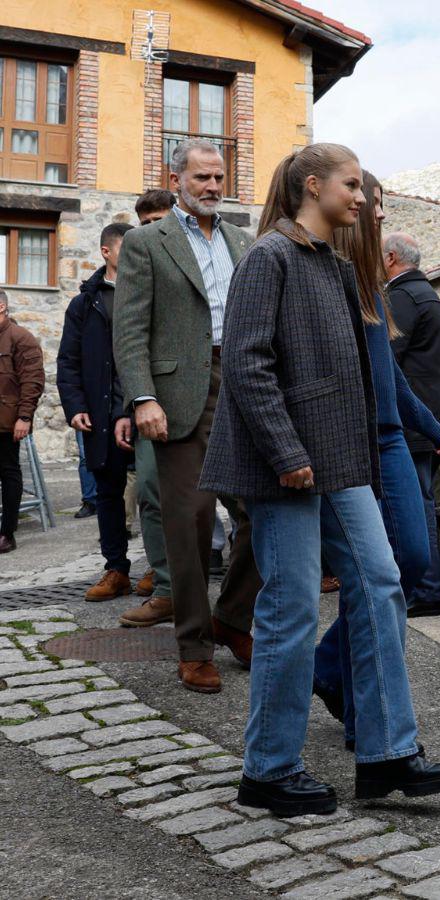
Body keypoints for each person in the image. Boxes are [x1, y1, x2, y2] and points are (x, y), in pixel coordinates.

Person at [199, 143, 440, 816]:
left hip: (341, 464)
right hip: (284, 467)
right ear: (312, 186)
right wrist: (286, 451)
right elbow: (247, 364)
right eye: (351, 185)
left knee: (381, 583)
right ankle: (268, 769)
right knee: (289, 609)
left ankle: (387, 752)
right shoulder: (269, 258)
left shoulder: (338, 266)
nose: (362, 198)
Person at [311, 171, 440, 743]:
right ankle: (363, 713)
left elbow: (387, 371)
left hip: (392, 438)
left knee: (411, 562)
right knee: (373, 576)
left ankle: (328, 668)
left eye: (379, 205)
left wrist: (430, 425)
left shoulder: (372, 279)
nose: (377, 213)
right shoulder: (326, 273)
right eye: (370, 203)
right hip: (350, 443)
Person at [113, 138, 259, 691]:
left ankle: (233, 618)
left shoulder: (243, 240)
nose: (213, 186)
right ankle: (194, 644)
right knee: (192, 519)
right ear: (176, 180)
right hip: (178, 396)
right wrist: (142, 397)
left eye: (218, 177)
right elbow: (130, 329)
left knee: (265, 511)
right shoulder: (146, 242)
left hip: (243, 386)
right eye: (202, 177)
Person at [383, 232, 440, 616]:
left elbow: (388, 359)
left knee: (416, 505)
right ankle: (425, 589)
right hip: (432, 418)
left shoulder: (402, 298)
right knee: (422, 501)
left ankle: (425, 590)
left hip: (415, 421)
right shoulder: (429, 296)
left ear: (391, 258)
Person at [57, 222, 138, 600]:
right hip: (101, 415)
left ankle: (159, 570)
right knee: (108, 493)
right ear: (106, 251)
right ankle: (116, 569)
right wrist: (75, 407)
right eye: (126, 248)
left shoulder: (146, 293)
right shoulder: (84, 303)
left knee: (155, 494)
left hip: (143, 409)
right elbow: (68, 360)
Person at [119, 189, 179, 620]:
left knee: (241, 502)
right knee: (151, 495)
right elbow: (127, 341)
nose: (153, 230)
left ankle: (239, 600)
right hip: (151, 403)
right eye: (145, 224)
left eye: (160, 220)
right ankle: (166, 588)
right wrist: (131, 405)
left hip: (211, 397)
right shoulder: (135, 265)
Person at [0, 290, 45, 554]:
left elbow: (33, 381)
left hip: (7, 420)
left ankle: (7, 533)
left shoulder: (21, 337)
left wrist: (24, 416)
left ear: (1, 306)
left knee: (9, 472)